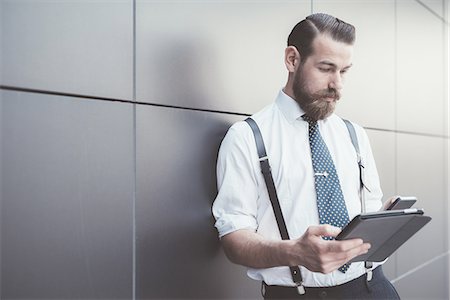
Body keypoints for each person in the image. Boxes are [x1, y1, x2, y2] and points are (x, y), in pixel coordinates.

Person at [212, 13, 400, 299]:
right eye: (326, 68)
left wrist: (383, 224)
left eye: (344, 71)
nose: (337, 85)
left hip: (373, 287)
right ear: (292, 60)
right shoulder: (247, 137)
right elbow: (233, 238)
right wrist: (295, 252)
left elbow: (367, 213)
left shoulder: (354, 134)